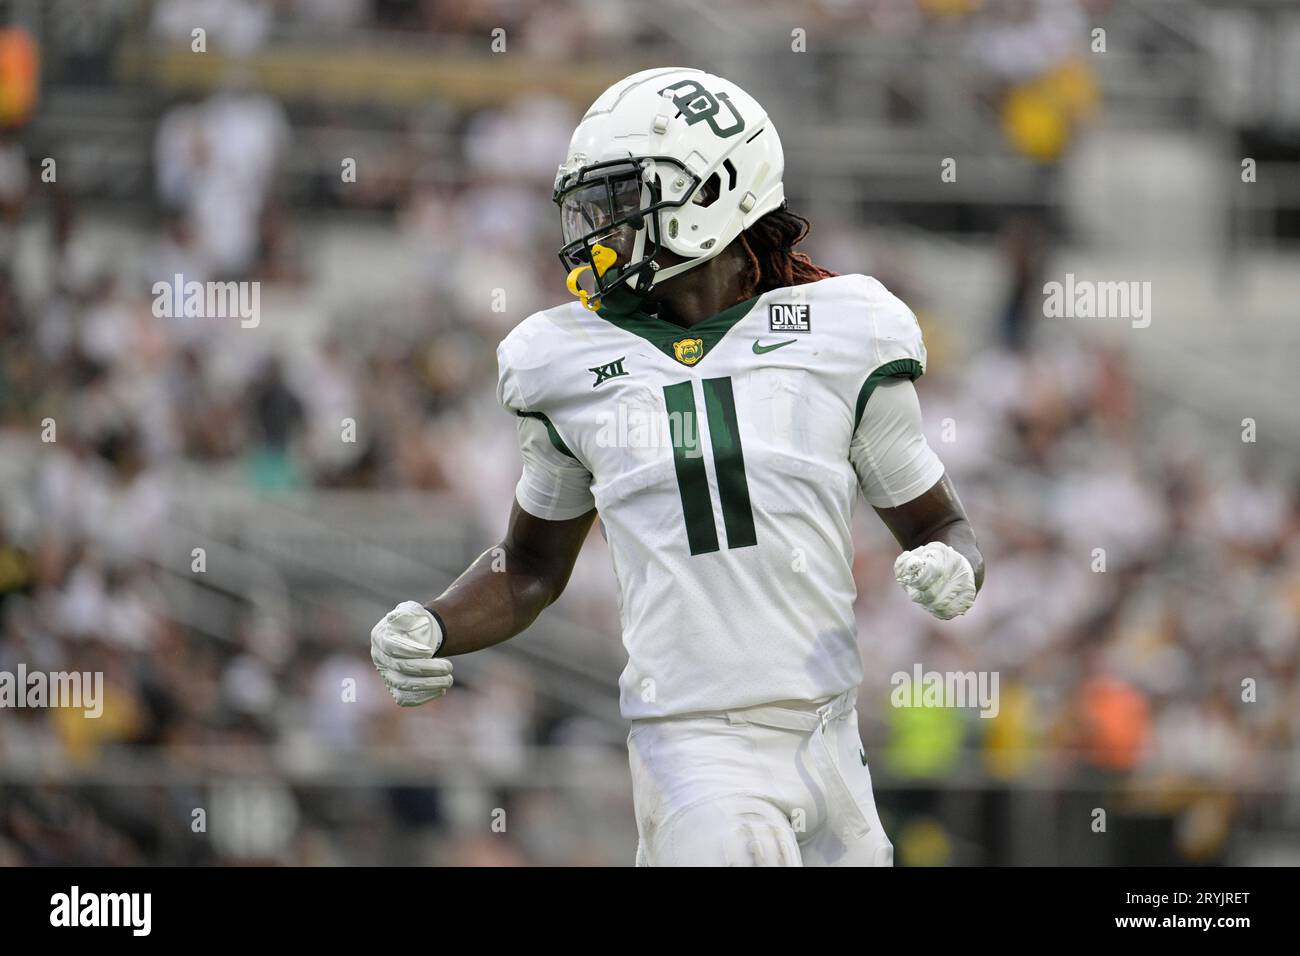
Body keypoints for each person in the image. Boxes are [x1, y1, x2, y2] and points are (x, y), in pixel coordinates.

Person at [370, 68, 984, 866]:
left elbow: (939, 521)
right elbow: (529, 565)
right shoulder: (563, 360)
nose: (599, 225)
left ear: (717, 191)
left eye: (625, 198)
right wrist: (441, 620)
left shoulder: (843, 328)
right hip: (695, 746)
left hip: (835, 736)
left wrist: (955, 564)